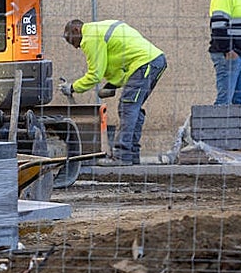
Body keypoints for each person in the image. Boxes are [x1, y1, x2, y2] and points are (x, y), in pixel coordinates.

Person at [60, 19, 167, 166]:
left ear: (76, 30)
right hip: (154, 62)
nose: (75, 47)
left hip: (144, 64)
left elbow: (95, 75)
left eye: (71, 40)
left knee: (127, 108)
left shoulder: (89, 37)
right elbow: (120, 60)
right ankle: (132, 154)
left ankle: (122, 155)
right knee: (133, 108)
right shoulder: (99, 29)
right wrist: (113, 84)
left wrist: (73, 87)